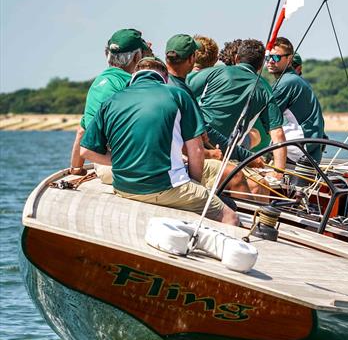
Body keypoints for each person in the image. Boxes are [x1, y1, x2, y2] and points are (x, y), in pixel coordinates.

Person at [79, 61, 239, 226]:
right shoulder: (178, 95)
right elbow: (197, 150)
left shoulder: (111, 101)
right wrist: (196, 185)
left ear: (134, 77)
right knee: (231, 217)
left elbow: (85, 151)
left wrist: (121, 161)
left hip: (123, 187)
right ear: (165, 77)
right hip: (165, 187)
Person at [163, 34, 269, 199]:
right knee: (253, 184)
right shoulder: (181, 92)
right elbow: (191, 140)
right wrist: (215, 155)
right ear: (192, 58)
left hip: (166, 161)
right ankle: (242, 224)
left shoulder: (165, 83)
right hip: (174, 166)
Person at [187, 38, 286, 183]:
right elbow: (277, 134)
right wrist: (278, 173)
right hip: (224, 152)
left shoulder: (215, 72)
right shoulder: (264, 88)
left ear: (236, 58)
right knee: (258, 184)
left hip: (192, 143)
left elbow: (181, 90)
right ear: (260, 66)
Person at [69, 28, 148, 182]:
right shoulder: (133, 84)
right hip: (127, 166)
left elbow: (82, 131)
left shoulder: (97, 83)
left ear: (108, 55)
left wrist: (76, 169)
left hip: (102, 165)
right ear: (137, 56)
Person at [266, 38, 325, 163]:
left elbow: (265, 117)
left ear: (289, 59)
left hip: (302, 145)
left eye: (276, 57)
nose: (270, 61)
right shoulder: (291, 79)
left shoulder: (287, 82)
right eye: (268, 57)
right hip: (311, 145)